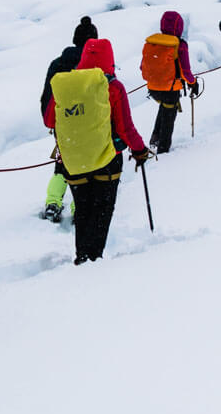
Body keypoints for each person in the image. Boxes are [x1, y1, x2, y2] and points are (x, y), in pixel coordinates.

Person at [45, 38, 149, 264]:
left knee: (83, 210)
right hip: (107, 161)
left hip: (74, 161)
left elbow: (49, 119)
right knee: (102, 211)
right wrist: (140, 150)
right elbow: (125, 127)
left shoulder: (66, 85)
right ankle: (95, 260)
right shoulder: (112, 86)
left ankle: (82, 256)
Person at [39, 15, 98, 222]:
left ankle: (53, 202)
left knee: (62, 164)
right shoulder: (95, 63)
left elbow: (47, 96)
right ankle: (78, 207)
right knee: (86, 167)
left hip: (63, 124)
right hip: (89, 124)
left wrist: (52, 121)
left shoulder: (58, 63)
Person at [141, 11, 199, 153]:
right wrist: (193, 83)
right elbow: (185, 71)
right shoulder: (180, 45)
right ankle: (163, 149)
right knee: (169, 117)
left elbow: (142, 66)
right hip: (171, 89)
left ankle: (155, 137)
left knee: (164, 108)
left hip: (153, 88)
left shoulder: (153, 43)